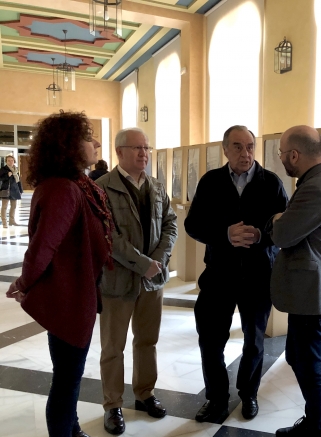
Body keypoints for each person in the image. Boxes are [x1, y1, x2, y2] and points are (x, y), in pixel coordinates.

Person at [6, 111, 113, 437]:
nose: (96, 143)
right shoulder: (65, 190)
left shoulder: (70, 185)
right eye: (88, 137)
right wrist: (24, 282)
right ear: (68, 145)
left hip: (74, 293)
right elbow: (43, 247)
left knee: (69, 375)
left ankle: (74, 428)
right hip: (69, 298)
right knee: (66, 381)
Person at [185, 125, 288, 422]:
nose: (246, 153)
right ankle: (216, 398)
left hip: (258, 277)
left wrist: (260, 236)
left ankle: (249, 394)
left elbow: (284, 228)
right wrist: (224, 234)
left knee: (254, 341)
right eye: (239, 147)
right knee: (210, 340)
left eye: (250, 146)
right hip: (219, 276)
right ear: (226, 149)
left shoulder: (271, 183)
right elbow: (193, 225)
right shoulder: (211, 182)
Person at [95, 127, 177, 435]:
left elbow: (170, 222)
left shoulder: (156, 186)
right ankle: (113, 404)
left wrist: (159, 260)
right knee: (113, 346)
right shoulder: (102, 188)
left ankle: (145, 394)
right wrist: (143, 264)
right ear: (119, 152)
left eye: (147, 148)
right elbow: (108, 237)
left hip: (152, 283)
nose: (144, 153)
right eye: (137, 148)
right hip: (117, 282)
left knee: (147, 341)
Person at [267, 125, 321, 437]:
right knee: (297, 357)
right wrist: (281, 220)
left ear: (294, 155)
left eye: (282, 154)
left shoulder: (315, 188)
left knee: (310, 365)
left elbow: (284, 234)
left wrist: (275, 222)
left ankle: (316, 430)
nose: (282, 159)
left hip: (316, 295)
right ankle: (314, 422)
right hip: (309, 293)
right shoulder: (315, 181)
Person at [0, 154, 24, 227]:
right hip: (6, 190)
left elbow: (18, 181)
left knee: (13, 206)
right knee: (4, 207)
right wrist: (7, 175)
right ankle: (4, 223)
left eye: (12, 160)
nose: (10, 162)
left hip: (14, 190)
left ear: (14, 161)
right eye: (9, 161)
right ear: (6, 161)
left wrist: (21, 190)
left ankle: (12, 221)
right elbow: (1, 179)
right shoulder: (3, 169)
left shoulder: (16, 170)